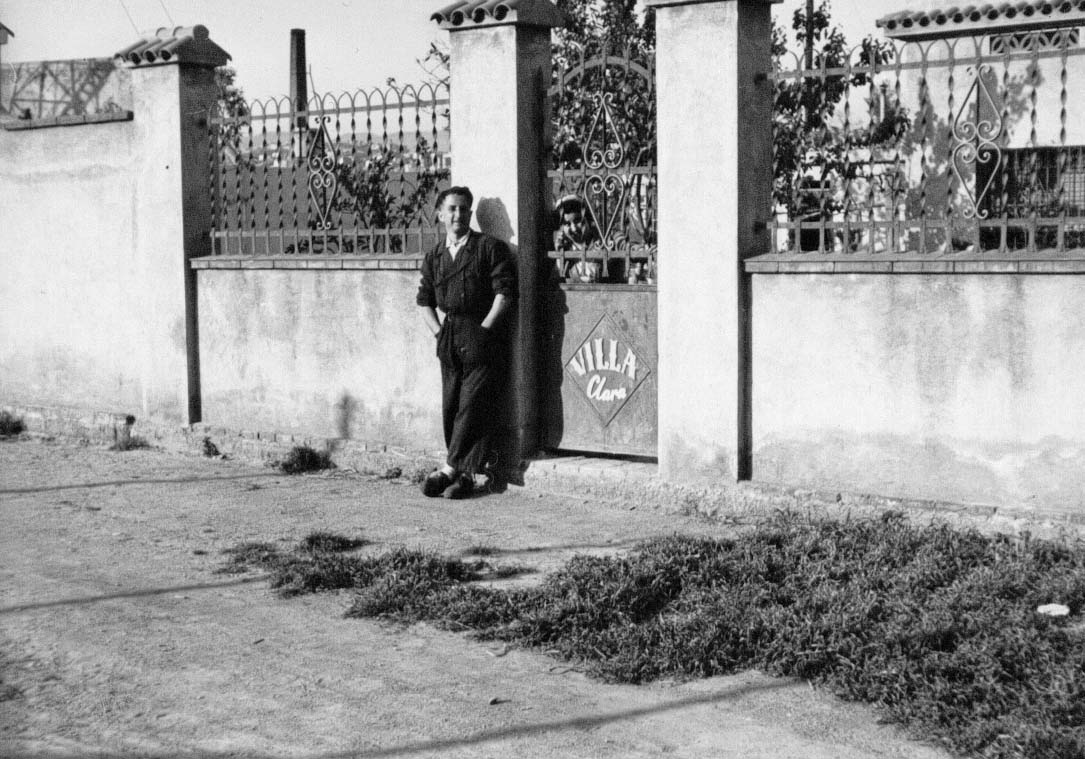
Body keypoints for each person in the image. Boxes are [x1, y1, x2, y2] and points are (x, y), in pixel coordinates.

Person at [416, 187, 516, 499]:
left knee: (472, 405)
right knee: (452, 405)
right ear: (440, 214)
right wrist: (438, 333)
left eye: (464, 209)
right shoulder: (434, 257)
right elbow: (423, 301)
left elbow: (504, 293)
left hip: (480, 332)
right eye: (452, 209)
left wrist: (485, 330)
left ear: (470, 214)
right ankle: (465, 475)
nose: (458, 215)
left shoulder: (489, 248)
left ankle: (449, 470)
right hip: (450, 335)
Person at [554, 195, 602, 283]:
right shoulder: (566, 249)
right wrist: (559, 256)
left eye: (577, 221)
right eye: (567, 224)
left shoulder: (601, 243)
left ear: (587, 219)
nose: (574, 228)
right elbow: (557, 284)